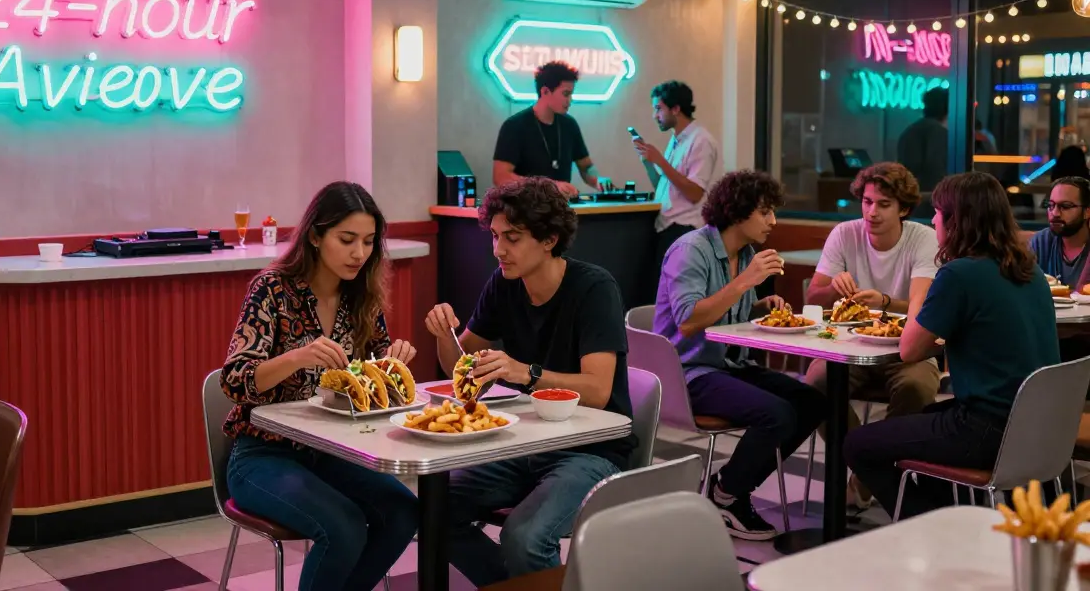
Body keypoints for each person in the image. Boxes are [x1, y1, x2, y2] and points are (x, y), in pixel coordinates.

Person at [425, 177, 634, 586]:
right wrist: (442, 335)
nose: (499, 249)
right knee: (433, 511)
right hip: (526, 442)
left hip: (592, 450)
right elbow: (461, 367)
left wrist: (526, 373)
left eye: (513, 238)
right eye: (496, 236)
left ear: (549, 240)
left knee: (523, 537)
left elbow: (598, 390)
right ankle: (513, 584)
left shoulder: (594, 288)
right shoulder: (503, 285)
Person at [220, 182, 419, 591]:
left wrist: (393, 366)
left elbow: (375, 380)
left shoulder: (360, 298)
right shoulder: (272, 290)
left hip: (330, 453)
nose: (359, 254)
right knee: (343, 527)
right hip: (262, 456)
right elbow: (234, 380)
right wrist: (297, 356)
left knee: (403, 512)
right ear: (315, 236)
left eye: (367, 242)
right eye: (347, 240)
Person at [844, 172, 1059, 520]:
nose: (932, 219)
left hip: (985, 429)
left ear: (957, 221)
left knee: (858, 443)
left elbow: (909, 350)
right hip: (1034, 426)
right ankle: (947, 515)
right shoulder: (1028, 270)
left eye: (939, 212)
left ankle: (934, 526)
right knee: (920, 420)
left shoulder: (959, 274)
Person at [654, 170, 827, 540]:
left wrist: (759, 307)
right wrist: (746, 282)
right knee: (777, 415)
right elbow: (688, 321)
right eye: (765, 212)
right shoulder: (691, 250)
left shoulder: (744, 254)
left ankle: (728, 485)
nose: (773, 222)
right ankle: (728, 494)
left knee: (812, 402)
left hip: (730, 365)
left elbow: (727, 316)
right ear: (737, 212)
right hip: (688, 372)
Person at [803, 162, 940, 508]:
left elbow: (923, 308)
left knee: (917, 387)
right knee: (815, 383)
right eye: (866, 202)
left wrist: (884, 301)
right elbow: (812, 298)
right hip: (853, 346)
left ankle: (865, 474)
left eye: (883, 204)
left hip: (906, 347)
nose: (871, 212)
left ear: (904, 209)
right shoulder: (845, 233)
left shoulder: (923, 238)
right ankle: (869, 468)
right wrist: (833, 286)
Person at [632, 80, 722, 297]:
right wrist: (648, 161)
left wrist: (661, 161)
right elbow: (663, 187)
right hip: (666, 226)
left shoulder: (701, 141)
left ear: (676, 108)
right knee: (657, 295)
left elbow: (694, 193)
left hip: (685, 229)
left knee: (677, 298)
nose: (655, 116)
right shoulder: (677, 140)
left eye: (658, 109)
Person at [492, 61, 610, 197]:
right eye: (566, 94)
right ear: (545, 91)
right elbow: (501, 177)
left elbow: (586, 167)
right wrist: (549, 187)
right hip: (525, 211)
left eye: (571, 94)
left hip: (561, 211)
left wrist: (599, 181)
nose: (570, 100)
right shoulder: (515, 126)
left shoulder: (569, 125)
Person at [1029, 176, 1090, 286]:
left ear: (1087, 212)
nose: (1055, 213)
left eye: (1065, 206)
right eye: (1051, 205)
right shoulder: (1041, 242)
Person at [897, 87, 949, 202]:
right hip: (930, 202)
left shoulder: (909, 131)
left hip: (909, 199)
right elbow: (936, 171)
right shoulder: (939, 133)